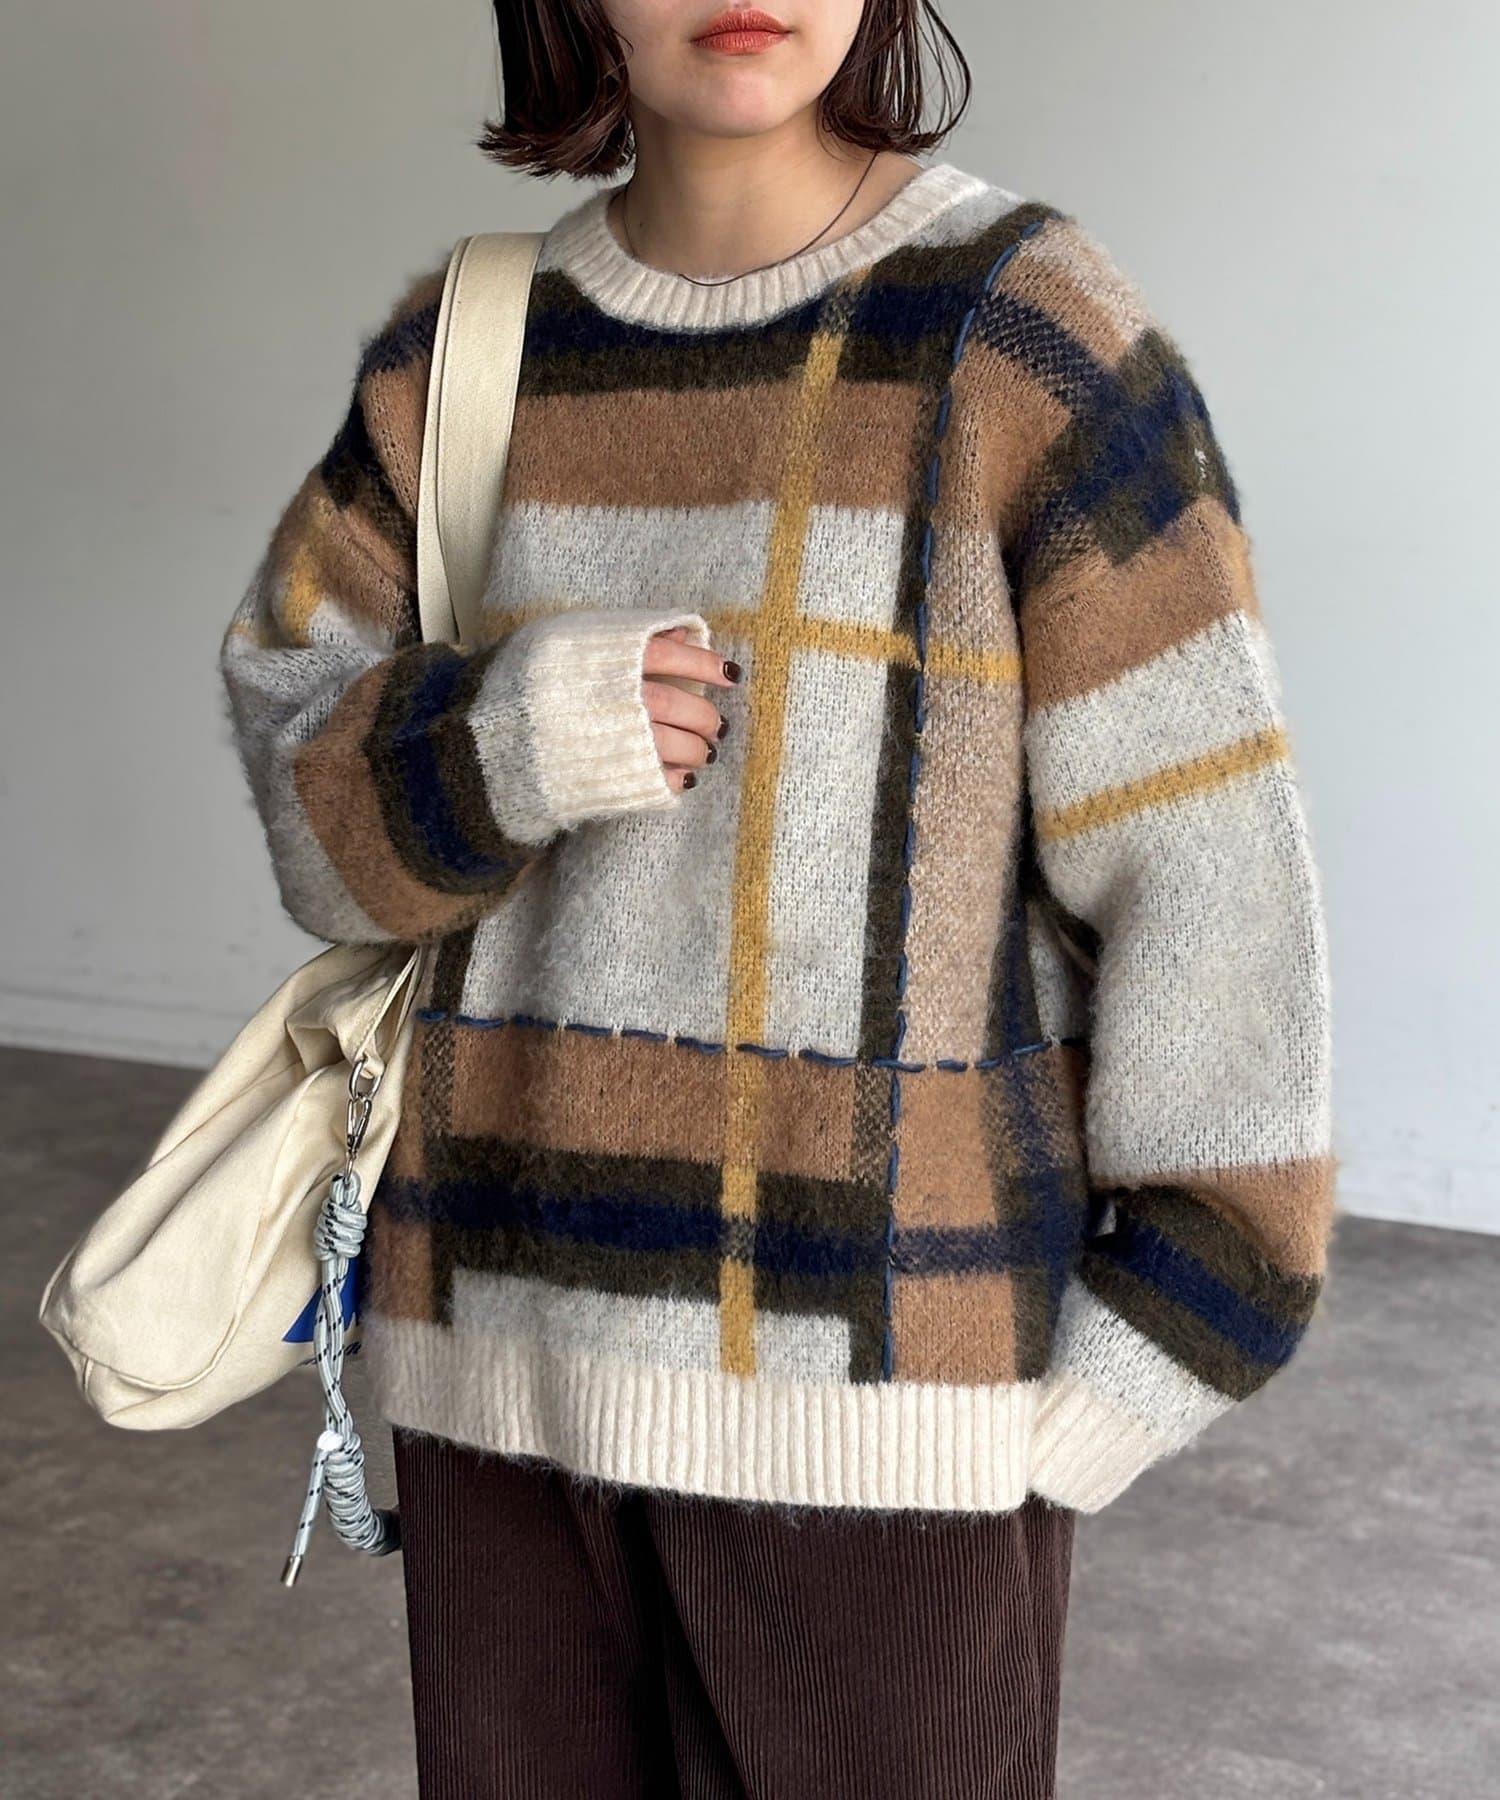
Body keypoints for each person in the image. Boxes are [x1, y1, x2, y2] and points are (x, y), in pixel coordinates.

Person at [218, 2, 1335, 1793]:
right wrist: (514, 736)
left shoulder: (1022, 335)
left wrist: (1157, 1348)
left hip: (890, 1411)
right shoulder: (469, 354)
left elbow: (1207, 870)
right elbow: (313, 818)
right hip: (493, 1373)